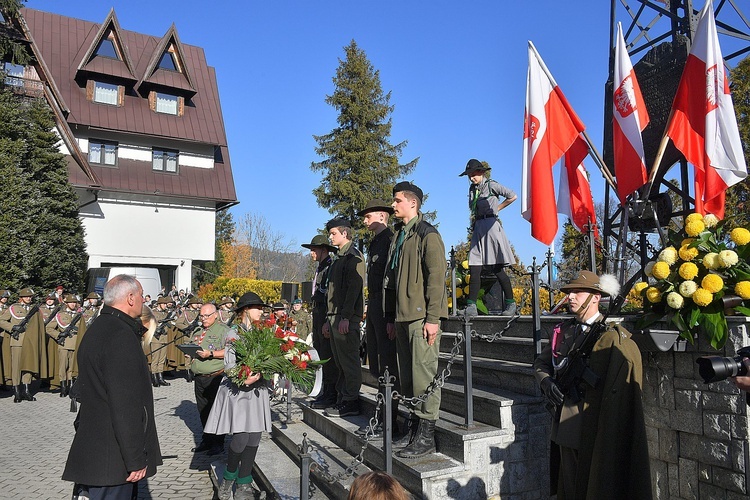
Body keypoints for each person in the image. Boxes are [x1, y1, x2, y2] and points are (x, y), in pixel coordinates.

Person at [533, 271, 651, 500]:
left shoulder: (611, 336)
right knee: (569, 485)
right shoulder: (563, 331)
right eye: (569, 293)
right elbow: (541, 363)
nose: (571, 297)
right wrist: (546, 382)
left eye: (578, 292)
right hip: (567, 424)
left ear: (596, 297)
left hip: (597, 423)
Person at [62, 275, 162, 499]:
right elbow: (125, 405)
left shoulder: (100, 327)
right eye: (141, 296)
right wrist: (135, 459)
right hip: (113, 460)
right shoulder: (120, 336)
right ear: (129, 298)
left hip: (96, 453)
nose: (143, 301)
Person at [385, 182, 448, 458]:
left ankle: (426, 436)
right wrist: (391, 316)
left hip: (422, 317)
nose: (393, 205)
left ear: (413, 203)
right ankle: (413, 429)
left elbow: (436, 279)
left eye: (398, 201)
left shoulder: (427, 234)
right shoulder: (400, 235)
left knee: (425, 376)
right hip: (402, 316)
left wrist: (433, 318)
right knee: (408, 378)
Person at [206, 292, 271, 500]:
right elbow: (229, 364)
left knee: (254, 438)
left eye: (261, 308)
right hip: (239, 390)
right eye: (257, 307)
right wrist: (243, 379)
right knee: (241, 438)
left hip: (257, 390)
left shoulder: (262, 333)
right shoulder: (234, 333)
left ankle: (244, 483)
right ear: (245, 311)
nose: (261, 311)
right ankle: (228, 479)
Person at [356, 199, 398, 437]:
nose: (364, 220)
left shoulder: (390, 240)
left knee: (387, 363)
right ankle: (381, 415)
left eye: (368, 215)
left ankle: (388, 419)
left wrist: (390, 315)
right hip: (373, 305)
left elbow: (390, 280)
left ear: (382, 216)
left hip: (384, 307)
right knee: (376, 364)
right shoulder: (374, 243)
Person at [459, 158, 517, 317]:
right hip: (478, 227)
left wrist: (497, 208)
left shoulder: (491, 185)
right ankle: (471, 307)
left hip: (491, 227)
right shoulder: (472, 189)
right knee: (474, 267)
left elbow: (512, 196)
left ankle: (511, 304)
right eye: (469, 175)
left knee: (497, 268)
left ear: (481, 172)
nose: (471, 177)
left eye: (473, 174)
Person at [323, 217, 366, 418]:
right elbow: (331, 293)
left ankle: (351, 400)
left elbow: (353, 290)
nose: (330, 237)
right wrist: (327, 318)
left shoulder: (353, 256)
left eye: (333, 233)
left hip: (345, 317)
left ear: (345, 234)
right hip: (334, 316)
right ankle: (342, 397)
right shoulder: (338, 258)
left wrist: (347, 317)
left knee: (349, 360)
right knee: (340, 361)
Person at [302, 234, 340, 410]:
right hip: (317, 313)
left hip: (324, 313)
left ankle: (331, 392)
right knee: (319, 353)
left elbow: (329, 296)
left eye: (314, 249)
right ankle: (324, 390)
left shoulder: (330, 267)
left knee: (327, 356)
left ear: (324, 249)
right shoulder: (320, 268)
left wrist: (326, 320)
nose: (311, 253)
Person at [189, 302, 232, 455]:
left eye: (207, 316)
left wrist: (211, 354)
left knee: (216, 411)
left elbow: (230, 351)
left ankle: (218, 443)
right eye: (201, 315)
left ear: (215, 315)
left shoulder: (223, 331)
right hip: (199, 378)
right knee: (203, 411)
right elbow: (193, 346)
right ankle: (207, 440)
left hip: (215, 377)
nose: (204, 318)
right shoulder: (198, 330)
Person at [0, 287, 48, 403]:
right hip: (17, 342)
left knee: (28, 366)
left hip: (30, 342)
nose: (29, 298)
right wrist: (13, 327)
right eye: (26, 296)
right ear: (21, 298)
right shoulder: (13, 308)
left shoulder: (34, 310)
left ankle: (26, 390)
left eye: (30, 296)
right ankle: (16, 391)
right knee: (16, 367)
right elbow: (1, 320)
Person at [46, 294, 84, 398]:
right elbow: (49, 328)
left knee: (72, 367)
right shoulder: (60, 315)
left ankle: (71, 387)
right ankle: (63, 387)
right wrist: (59, 335)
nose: (73, 304)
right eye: (71, 302)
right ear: (66, 304)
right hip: (64, 344)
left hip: (75, 344)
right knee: (63, 366)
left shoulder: (79, 315)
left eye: (74, 302)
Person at [149, 296, 173, 387]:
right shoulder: (153, 313)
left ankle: (160, 377)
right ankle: (154, 378)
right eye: (164, 304)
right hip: (156, 339)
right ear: (160, 304)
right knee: (155, 359)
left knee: (162, 360)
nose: (166, 306)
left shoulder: (166, 313)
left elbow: (170, 325)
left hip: (164, 338)